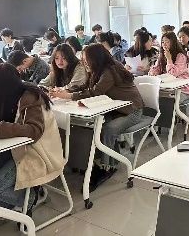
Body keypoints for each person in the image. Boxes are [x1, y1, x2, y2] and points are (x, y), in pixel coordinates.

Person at [0, 63, 63, 226]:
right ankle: (14, 205)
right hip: (16, 149)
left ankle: (30, 198)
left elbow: (34, 131)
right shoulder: (9, 95)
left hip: (36, 152)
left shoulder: (30, 97)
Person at [52, 44, 143, 188]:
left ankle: (106, 167)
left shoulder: (110, 70)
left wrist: (69, 96)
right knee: (93, 127)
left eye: (86, 59)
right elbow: (86, 86)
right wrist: (66, 91)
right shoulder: (97, 69)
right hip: (114, 110)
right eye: (83, 59)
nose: (84, 62)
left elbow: (95, 92)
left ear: (95, 58)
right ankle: (105, 161)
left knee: (108, 129)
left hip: (132, 110)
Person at [150, 32, 189, 99]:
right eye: (162, 42)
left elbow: (172, 74)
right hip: (168, 88)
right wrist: (154, 69)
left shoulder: (181, 56)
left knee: (163, 100)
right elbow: (154, 72)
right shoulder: (162, 55)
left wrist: (169, 59)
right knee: (151, 97)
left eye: (167, 42)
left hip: (182, 90)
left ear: (173, 43)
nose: (164, 44)